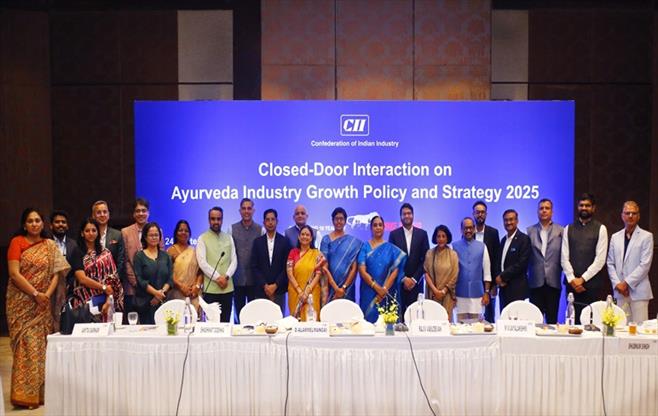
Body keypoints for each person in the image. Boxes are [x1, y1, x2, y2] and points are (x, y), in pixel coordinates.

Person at [6, 208, 70, 408]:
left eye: (37, 220)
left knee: (42, 348)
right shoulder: (17, 242)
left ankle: (41, 395)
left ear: (43, 224)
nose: (34, 224)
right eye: (30, 221)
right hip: (21, 302)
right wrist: (35, 294)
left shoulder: (49, 245)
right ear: (24, 225)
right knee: (26, 347)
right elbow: (14, 274)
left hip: (43, 304)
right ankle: (25, 396)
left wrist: (46, 296)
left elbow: (57, 273)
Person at [561, 193, 608, 323]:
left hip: (591, 285)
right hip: (572, 285)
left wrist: (582, 279)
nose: (584, 208)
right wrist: (572, 279)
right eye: (581, 205)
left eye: (587, 205)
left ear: (593, 208)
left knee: (591, 323)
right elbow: (564, 257)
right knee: (572, 323)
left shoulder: (601, 229)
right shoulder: (568, 228)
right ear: (577, 207)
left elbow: (600, 260)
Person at [607, 201, 653, 323]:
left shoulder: (647, 236)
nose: (630, 216)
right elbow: (610, 263)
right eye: (627, 213)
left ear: (638, 216)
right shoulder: (615, 237)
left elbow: (645, 265)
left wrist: (626, 283)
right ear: (622, 216)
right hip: (620, 292)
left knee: (639, 330)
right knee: (620, 328)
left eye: (634, 213)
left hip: (638, 291)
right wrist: (617, 284)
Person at [70, 218, 124, 317]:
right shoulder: (77, 252)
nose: (91, 233)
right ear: (82, 233)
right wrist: (103, 287)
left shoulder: (105, 252)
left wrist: (108, 300)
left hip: (106, 300)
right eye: (87, 231)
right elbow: (82, 279)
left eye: (94, 230)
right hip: (85, 302)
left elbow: (112, 280)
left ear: (98, 232)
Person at [358, 216, 406, 323]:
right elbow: (362, 271)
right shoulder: (365, 247)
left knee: (386, 325)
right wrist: (376, 287)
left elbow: (395, 270)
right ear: (371, 228)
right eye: (375, 225)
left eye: (380, 225)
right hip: (368, 292)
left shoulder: (390, 248)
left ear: (384, 228)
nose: (378, 227)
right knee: (368, 325)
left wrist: (384, 290)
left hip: (386, 293)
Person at [388, 203, 429, 319]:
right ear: (400, 217)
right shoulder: (394, 235)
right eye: (404, 214)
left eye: (409, 213)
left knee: (416, 318)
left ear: (413, 215)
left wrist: (414, 279)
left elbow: (425, 259)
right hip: (399, 284)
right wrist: (403, 278)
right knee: (399, 317)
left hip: (416, 284)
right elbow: (392, 260)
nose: (407, 216)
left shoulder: (422, 234)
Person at [122, 198, 161, 320]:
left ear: (148, 212)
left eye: (143, 210)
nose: (141, 213)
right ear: (133, 214)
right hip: (132, 288)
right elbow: (126, 261)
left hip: (154, 289)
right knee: (132, 324)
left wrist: (152, 287)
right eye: (137, 211)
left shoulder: (157, 231)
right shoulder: (125, 232)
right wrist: (138, 283)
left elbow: (161, 259)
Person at [196, 206, 237, 322]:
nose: (216, 222)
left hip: (227, 288)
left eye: (219, 219)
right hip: (211, 289)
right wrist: (218, 278)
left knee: (226, 323)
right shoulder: (202, 238)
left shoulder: (229, 238)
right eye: (213, 219)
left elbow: (234, 260)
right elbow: (202, 262)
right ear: (209, 220)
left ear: (222, 220)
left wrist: (226, 276)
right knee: (211, 325)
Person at [527, 198, 563, 324]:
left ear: (552, 212)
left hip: (553, 282)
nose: (544, 211)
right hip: (535, 282)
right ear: (537, 212)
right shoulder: (529, 231)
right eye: (541, 208)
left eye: (547, 208)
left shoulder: (561, 231)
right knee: (535, 321)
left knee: (552, 320)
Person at [229, 198, 263, 323]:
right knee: (238, 316)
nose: (246, 211)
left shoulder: (260, 230)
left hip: (254, 280)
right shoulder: (232, 229)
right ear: (240, 211)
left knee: (254, 316)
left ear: (253, 211)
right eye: (244, 208)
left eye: (249, 208)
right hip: (237, 280)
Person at [251, 209, 291, 313]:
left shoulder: (285, 242)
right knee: (261, 320)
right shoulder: (257, 242)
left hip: (279, 290)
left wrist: (275, 285)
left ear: (277, 221)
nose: (270, 222)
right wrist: (265, 286)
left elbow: (286, 267)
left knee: (278, 320)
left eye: (273, 219)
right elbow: (254, 266)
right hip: (261, 290)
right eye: (267, 220)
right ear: (264, 222)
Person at [132, 222, 173, 324]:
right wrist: (155, 293)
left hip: (163, 302)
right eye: (151, 235)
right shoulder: (139, 256)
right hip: (146, 303)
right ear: (145, 237)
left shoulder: (166, 256)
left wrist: (160, 294)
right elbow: (140, 280)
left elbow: (170, 278)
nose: (154, 237)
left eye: (156, 235)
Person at [452, 218, 492, 322]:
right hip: (459, 294)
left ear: (474, 229)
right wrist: (452, 294)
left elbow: (487, 272)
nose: (468, 230)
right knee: (460, 326)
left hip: (477, 294)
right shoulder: (454, 246)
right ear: (461, 230)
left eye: (470, 228)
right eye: (465, 228)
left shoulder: (482, 246)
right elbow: (451, 273)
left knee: (477, 326)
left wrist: (487, 292)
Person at [320, 207, 362, 302]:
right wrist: (336, 288)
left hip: (347, 289)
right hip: (330, 287)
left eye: (341, 219)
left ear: (345, 221)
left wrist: (343, 287)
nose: (339, 221)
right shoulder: (326, 240)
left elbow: (354, 268)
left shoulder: (353, 242)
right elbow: (324, 267)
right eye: (336, 219)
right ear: (332, 221)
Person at [287, 225, 326, 321]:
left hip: (312, 292)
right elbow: (289, 273)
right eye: (303, 234)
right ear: (299, 237)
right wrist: (300, 291)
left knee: (311, 322)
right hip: (295, 292)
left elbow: (318, 274)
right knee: (296, 322)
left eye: (307, 235)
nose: (305, 236)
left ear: (311, 238)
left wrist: (307, 291)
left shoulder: (317, 254)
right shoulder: (293, 252)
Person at [495, 209, 531, 309]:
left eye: (511, 219)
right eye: (506, 220)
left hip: (517, 288)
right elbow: (499, 261)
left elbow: (521, 264)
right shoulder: (503, 240)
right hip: (503, 288)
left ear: (517, 221)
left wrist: (502, 276)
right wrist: (498, 277)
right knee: (504, 316)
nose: (508, 222)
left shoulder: (524, 239)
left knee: (517, 317)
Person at [472, 201, 501, 322]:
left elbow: (496, 258)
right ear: (473, 214)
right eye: (477, 212)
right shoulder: (468, 232)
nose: (480, 214)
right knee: (473, 317)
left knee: (489, 317)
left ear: (486, 214)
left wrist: (494, 284)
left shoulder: (493, 233)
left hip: (489, 283)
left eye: (482, 212)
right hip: (472, 283)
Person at [424, 225, 459, 321]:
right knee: (431, 322)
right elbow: (426, 273)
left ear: (447, 238)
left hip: (447, 295)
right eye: (438, 236)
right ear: (435, 238)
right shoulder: (429, 253)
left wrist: (443, 291)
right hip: (432, 294)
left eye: (443, 236)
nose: (441, 239)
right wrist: (435, 291)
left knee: (445, 322)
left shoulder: (453, 255)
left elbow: (454, 276)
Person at [166, 220, 203, 312]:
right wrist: (181, 287)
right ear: (176, 233)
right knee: (177, 318)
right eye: (180, 230)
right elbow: (168, 273)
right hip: (176, 293)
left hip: (194, 294)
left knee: (194, 318)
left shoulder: (194, 251)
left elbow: (200, 272)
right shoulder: (170, 251)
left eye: (186, 231)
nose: (183, 232)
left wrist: (197, 286)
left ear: (189, 234)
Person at [49, 210, 78, 325]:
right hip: (49, 289)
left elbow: (76, 269)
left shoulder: (74, 244)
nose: (61, 224)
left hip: (68, 290)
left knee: (66, 322)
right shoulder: (46, 243)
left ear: (67, 225)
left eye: (63, 222)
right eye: (57, 222)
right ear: (51, 225)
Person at [91, 200, 125, 283]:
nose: (102, 215)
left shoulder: (117, 235)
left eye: (105, 212)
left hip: (113, 282)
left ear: (108, 215)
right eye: (99, 212)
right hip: (92, 281)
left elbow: (121, 261)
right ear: (93, 216)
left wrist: (114, 281)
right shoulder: (89, 234)